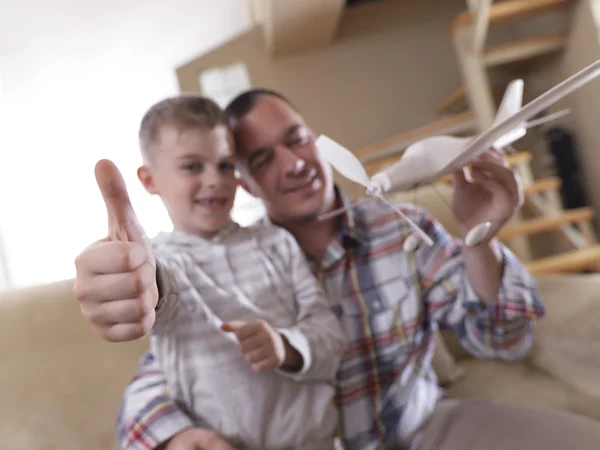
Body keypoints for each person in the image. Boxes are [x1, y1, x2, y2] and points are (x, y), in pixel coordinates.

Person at [74, 89, 600, 450]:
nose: (293, 163)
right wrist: (167, 430)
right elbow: (170, 365)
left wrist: (480, 239)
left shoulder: (400, 228)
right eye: (260, 158)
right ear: (249, 186)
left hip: (421, 431)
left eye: (297, 138)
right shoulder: (224, 267)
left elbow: (505, 340)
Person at [78, 95, 347, 450]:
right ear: (149, 179)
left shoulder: (276, 243)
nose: (215, 180)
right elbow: (162, 292)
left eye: (225, 165)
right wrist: (139, 279)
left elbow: (328, 334)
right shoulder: (160, 260)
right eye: (192, 166)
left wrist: (285, 346)